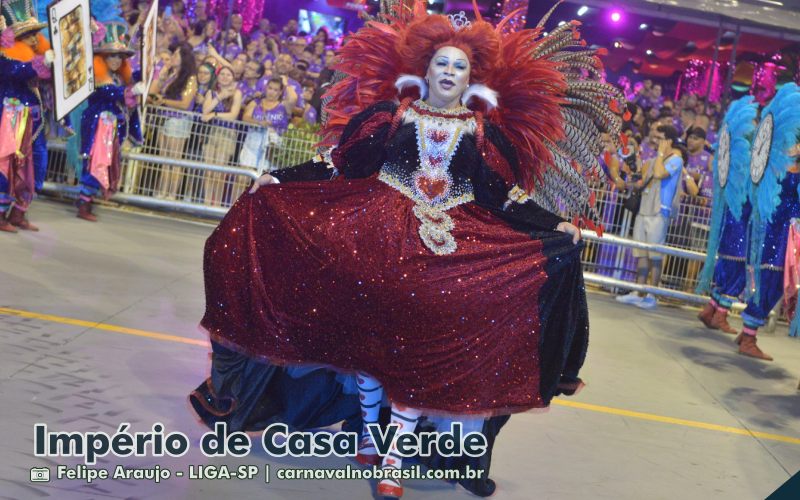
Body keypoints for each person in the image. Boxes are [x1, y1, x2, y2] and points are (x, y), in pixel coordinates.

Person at [189, 4, 622, 498]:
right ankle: (372, 441)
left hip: (452, 241)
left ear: (471, 75)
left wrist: (555, 224)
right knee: (372, 348)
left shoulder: (483, 135)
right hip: (377, 229)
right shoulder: (390, 118)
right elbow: (339, 163)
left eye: (459, 66)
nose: (450, 73)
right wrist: (280, 180)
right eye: (442, 63)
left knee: (421, 345)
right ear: (426, 67)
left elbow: (503, 196)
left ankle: (393, 458)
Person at [738, 84, 800, 361]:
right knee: (773, 281)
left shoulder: (783, 165)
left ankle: (747, 333)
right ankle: (749, 336)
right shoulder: (784, 167)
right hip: (780, 232)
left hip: (782, 230)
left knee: (771, 282)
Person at [696, 97, 758, 334]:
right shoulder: (743, 165)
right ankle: (720, 314)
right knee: (738, 271)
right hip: (740, 224)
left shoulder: (732, 158)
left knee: (726, 268)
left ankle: (711, 309)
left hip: (730, 222)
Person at [617, 125, 689, 309]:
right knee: (641, 252)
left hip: (660, 211)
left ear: (669, 141)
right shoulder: (653, 159)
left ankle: (652, 295)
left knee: (655, 255)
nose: (655, 140)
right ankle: (638, 292)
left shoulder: (676, 160)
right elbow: (641, 180)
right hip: (644, 208)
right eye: (655, 137)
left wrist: (660, 155)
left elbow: (660, 173)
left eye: (660, 138)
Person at [77, 22, 143, 221]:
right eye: (111, 55)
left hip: (110, 129)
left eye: (119, 56)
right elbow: (110, 92)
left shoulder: (116, 77)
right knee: (96, 161)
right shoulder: (96, 77)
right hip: (98, 127)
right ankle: (83, 203)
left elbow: (128, 83)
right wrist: (130, 92)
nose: (116, 60)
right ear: (102, 57)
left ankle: (87, 201)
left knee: (103, 162)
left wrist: (151, 69)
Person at [0, 0, 53, 232]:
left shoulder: (36, 59)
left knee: (37, 166)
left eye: (35, 34)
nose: (34, 39)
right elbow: (17, 72)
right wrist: (40, 64)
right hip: (10, 121)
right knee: (8, 165)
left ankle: (19, 212)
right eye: (28, 34)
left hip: (35, 122)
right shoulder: (5, 58)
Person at [148, 42, 198, 200]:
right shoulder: (171, 75)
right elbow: (155, 92)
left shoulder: (190, 79)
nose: (173, 57)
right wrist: (162, 73)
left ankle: (172, 193)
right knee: (164, 159)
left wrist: (164, 102)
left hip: (179, 121)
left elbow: (184, 103)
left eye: (177, 55)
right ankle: (162, 191)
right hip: (165, 119)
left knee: (174, 160)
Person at [200, 65, 242, 206]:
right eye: (222, 74)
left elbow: (233, 115)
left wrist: (215, 114)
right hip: (211, 133)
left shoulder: (236, 93)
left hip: (227, 134)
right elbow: (205, 112)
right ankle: (206, 203)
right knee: (209, 171)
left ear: (232, 78)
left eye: (228, 75)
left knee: (219, 172)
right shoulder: (211, 93)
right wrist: (219, 98)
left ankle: (216, 204)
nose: (224, 77)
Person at [239, 77, 296, 173]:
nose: (271, 92)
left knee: (266, 180)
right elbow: (245, 117)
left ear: (280, 92)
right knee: (243, 176)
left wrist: (286, 83)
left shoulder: (284, 105)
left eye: (275, 90)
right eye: (270, 88)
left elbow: (293, 98)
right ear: (266, 88)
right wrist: (259, 123)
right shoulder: (255, 102)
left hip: (273, 147)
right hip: (252, 142)